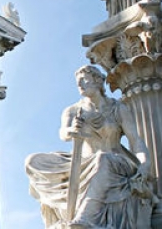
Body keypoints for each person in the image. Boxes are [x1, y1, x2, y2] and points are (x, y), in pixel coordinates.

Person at [25, 65, 156, 228]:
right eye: (77, 82)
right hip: (83, 160)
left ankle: (86, 217)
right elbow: (63, 133)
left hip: (115, 162)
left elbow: (136, 141)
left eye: (84, 80)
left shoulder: (118, 109)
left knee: (102, 158)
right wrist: (71, 130)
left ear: (98, 81)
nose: (79, 84)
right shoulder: (73, 110)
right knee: (33, 161)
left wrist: (145, 164)